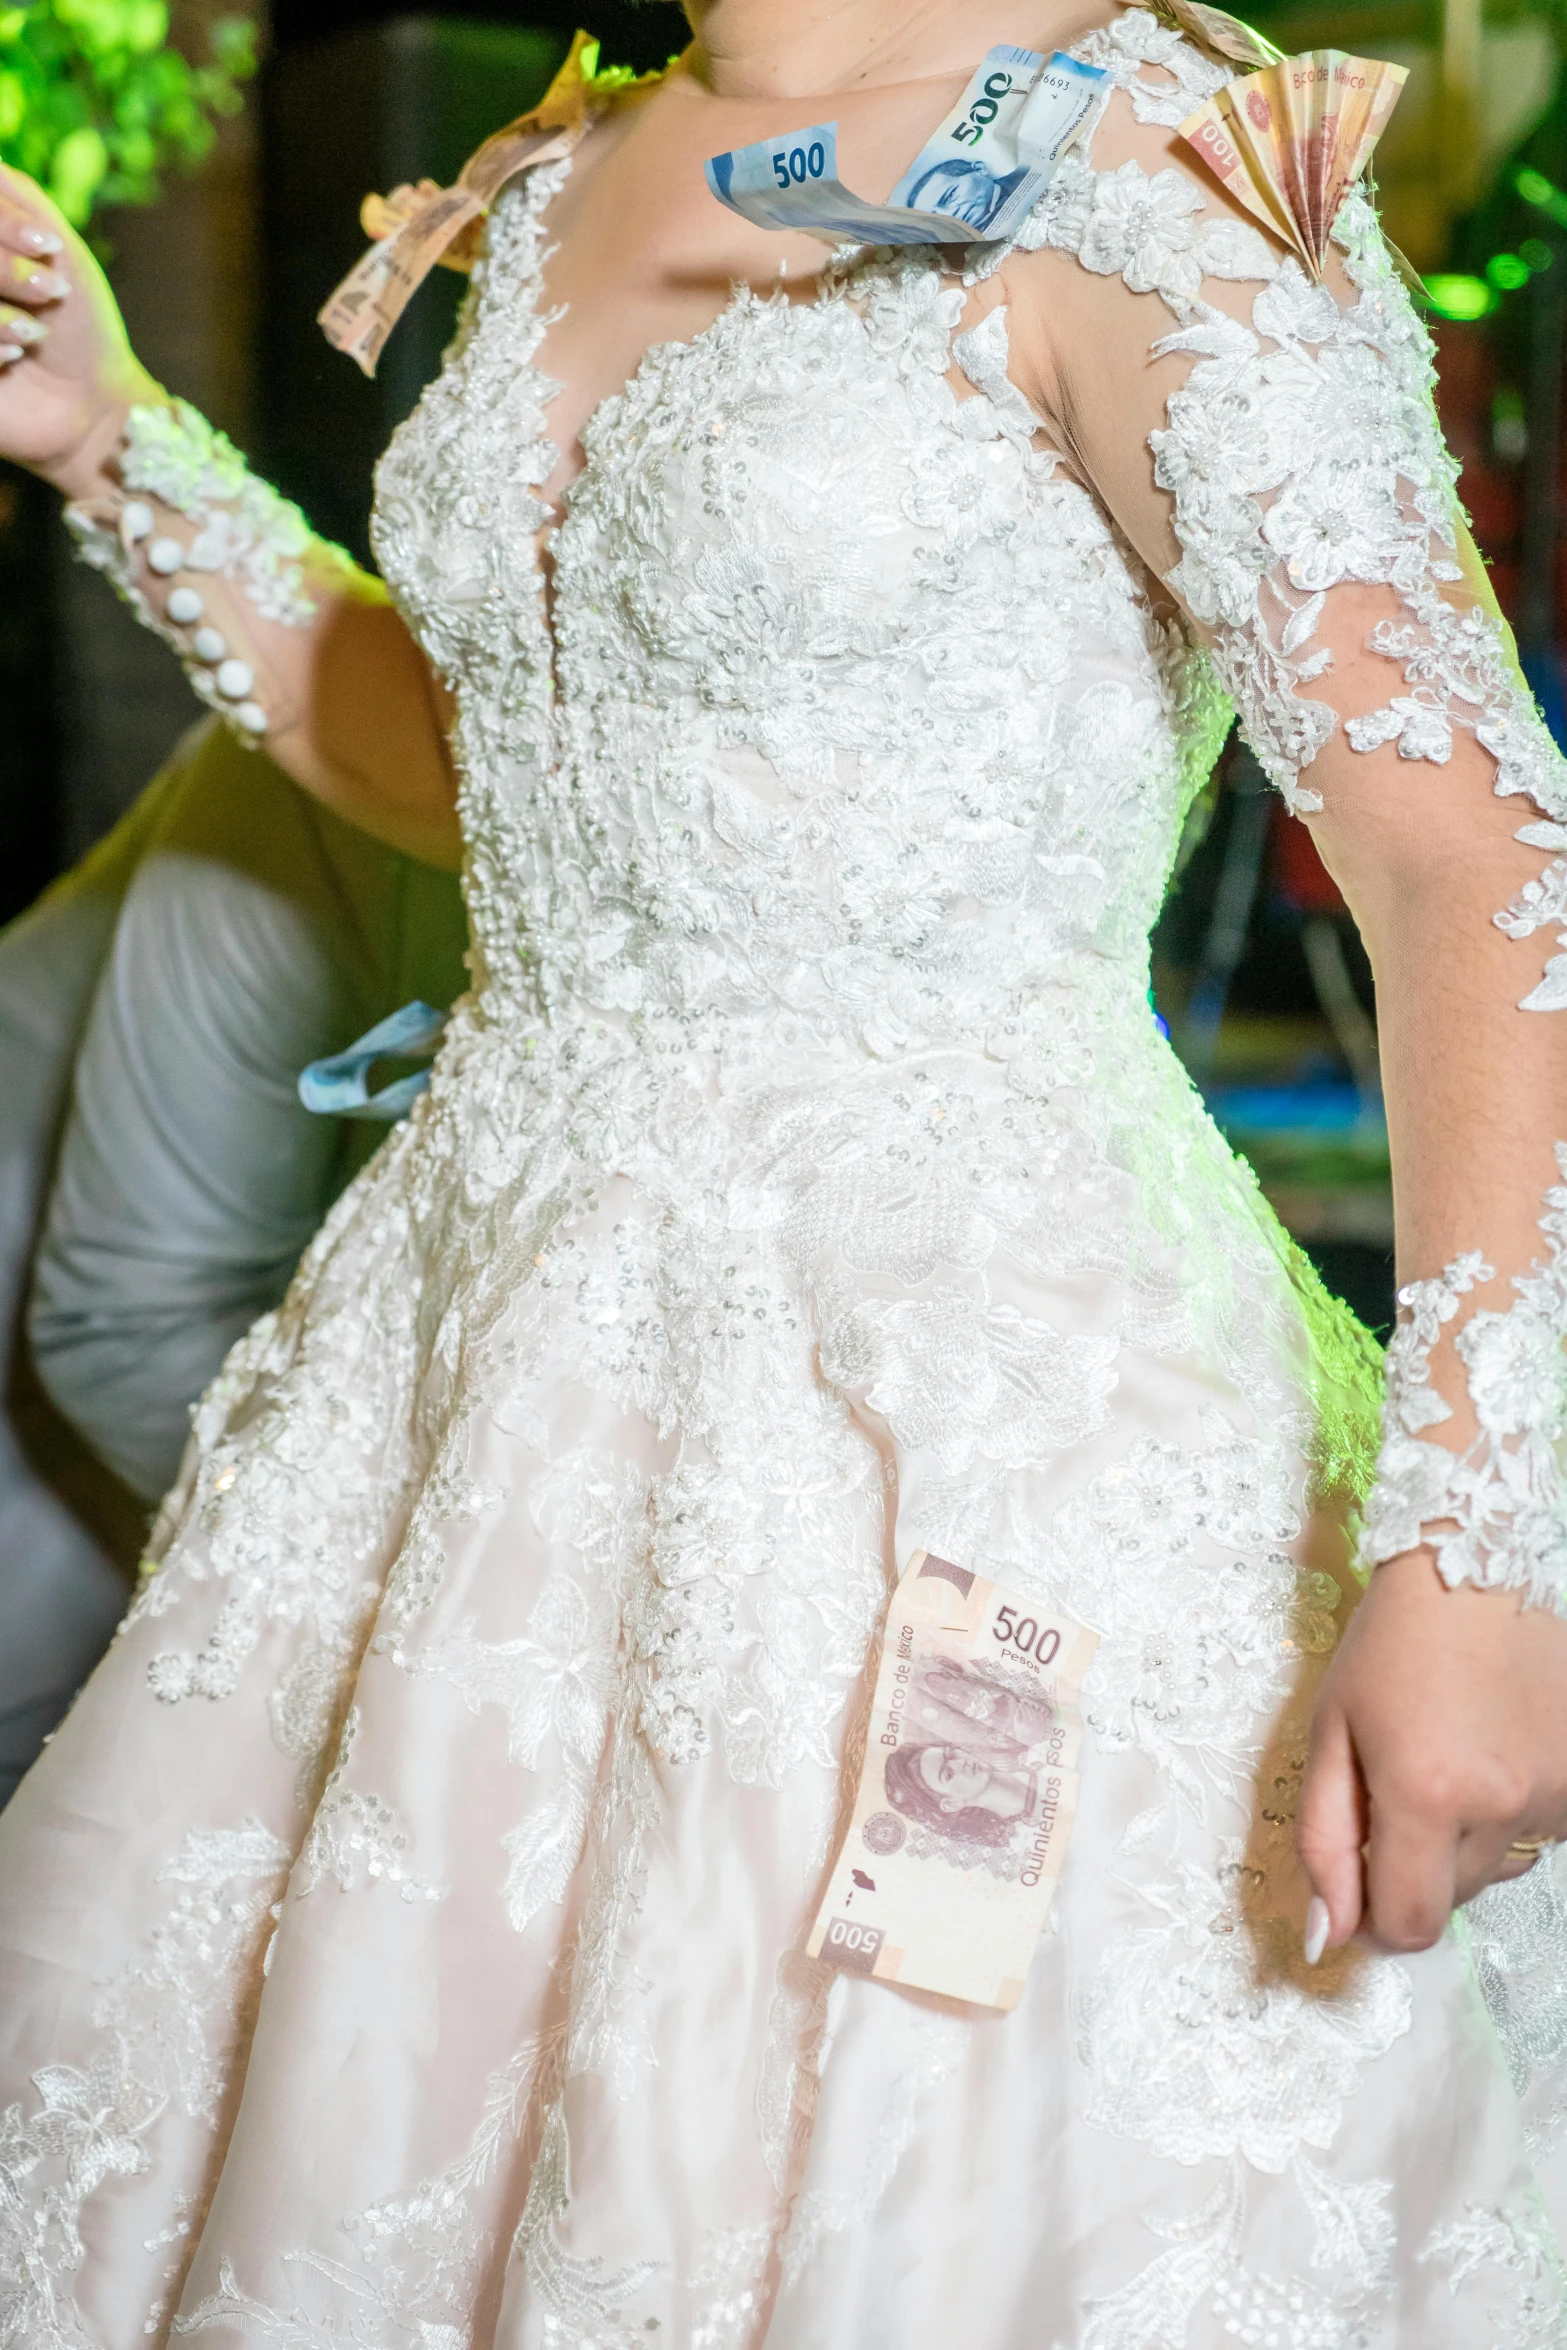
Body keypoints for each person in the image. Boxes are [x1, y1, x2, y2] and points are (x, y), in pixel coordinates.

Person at [1, 0, 1566, 2338]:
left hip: (958, 1436)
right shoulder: (561, 170)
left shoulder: (1151, 165)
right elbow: (511, 764)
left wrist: (1492, 1536)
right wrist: (114, 445)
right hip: (463, 1379)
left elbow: (1477, 855)